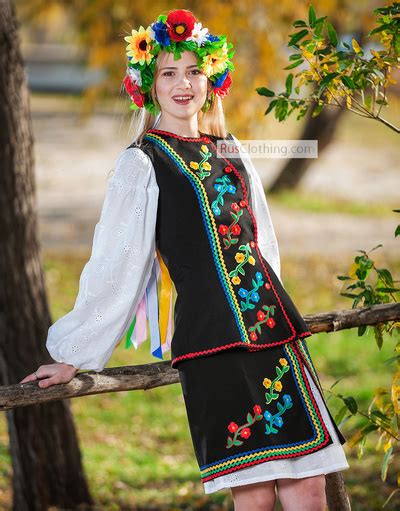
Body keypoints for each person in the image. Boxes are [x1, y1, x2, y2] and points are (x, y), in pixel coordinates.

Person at [20, 9, 350, 510]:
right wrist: (75, 354)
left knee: (310, 486)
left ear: (210, 79)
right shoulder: (141, 162)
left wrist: (273, 308)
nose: (183, 84)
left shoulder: (232, 149)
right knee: (256, 496)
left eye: (194, 71)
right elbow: (117, 262)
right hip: (213, 339)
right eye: (168, 73)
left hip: (274, 332)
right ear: (148, 86)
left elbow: (263, 242)